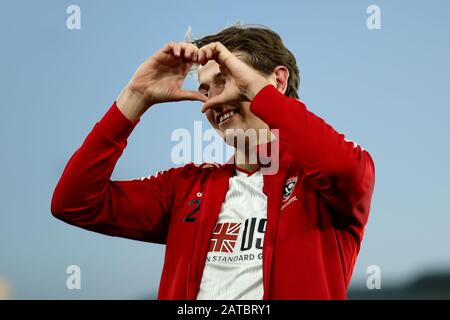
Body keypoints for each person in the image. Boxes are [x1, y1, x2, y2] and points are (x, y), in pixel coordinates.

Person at [51, 25, 375, 300]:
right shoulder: (186, 186)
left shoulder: (324, 182)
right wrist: (136, 95)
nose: (212, 102)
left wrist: (258, 94)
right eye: (205, 90)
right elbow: (74, 203)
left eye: (226, 79)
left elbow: (339, 167)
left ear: (276, 81)